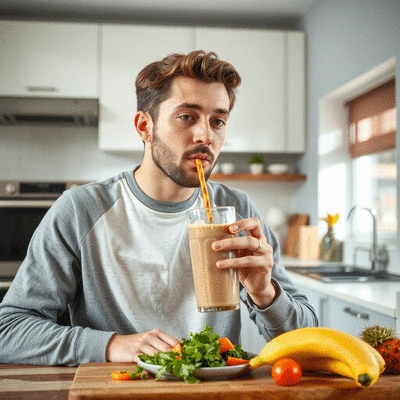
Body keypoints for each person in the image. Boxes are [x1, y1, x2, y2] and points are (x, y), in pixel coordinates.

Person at [0, 50, 317, 366]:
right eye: (186, 117)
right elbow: (9, 330)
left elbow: (308, 342)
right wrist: (114, 346)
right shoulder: (80, 211)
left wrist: (265, 293)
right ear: (144, 126)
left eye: (218, 120)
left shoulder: (236, 208)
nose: (205, 135)